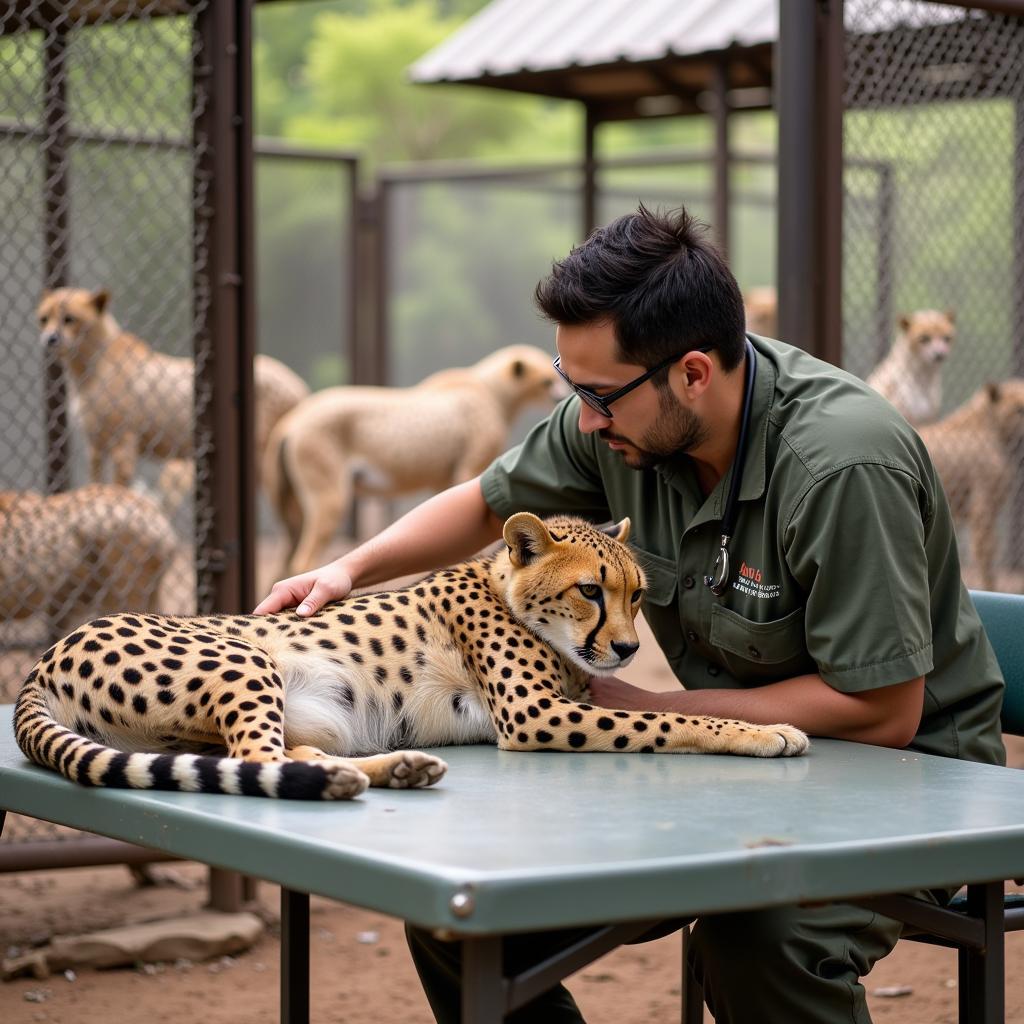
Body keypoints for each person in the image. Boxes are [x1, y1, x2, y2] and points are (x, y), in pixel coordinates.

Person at [255, 205, 1006, 1023]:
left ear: (691, 373)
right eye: (569, 386)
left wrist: (657, 713)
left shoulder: (842, 464)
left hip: (903, 786)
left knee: (759, 942)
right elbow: (484, 503)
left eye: (598, 396)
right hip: (723, 771)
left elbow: (883, 712)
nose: (582, 419)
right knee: (467, 909)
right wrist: (346, 568)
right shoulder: (627, 418)